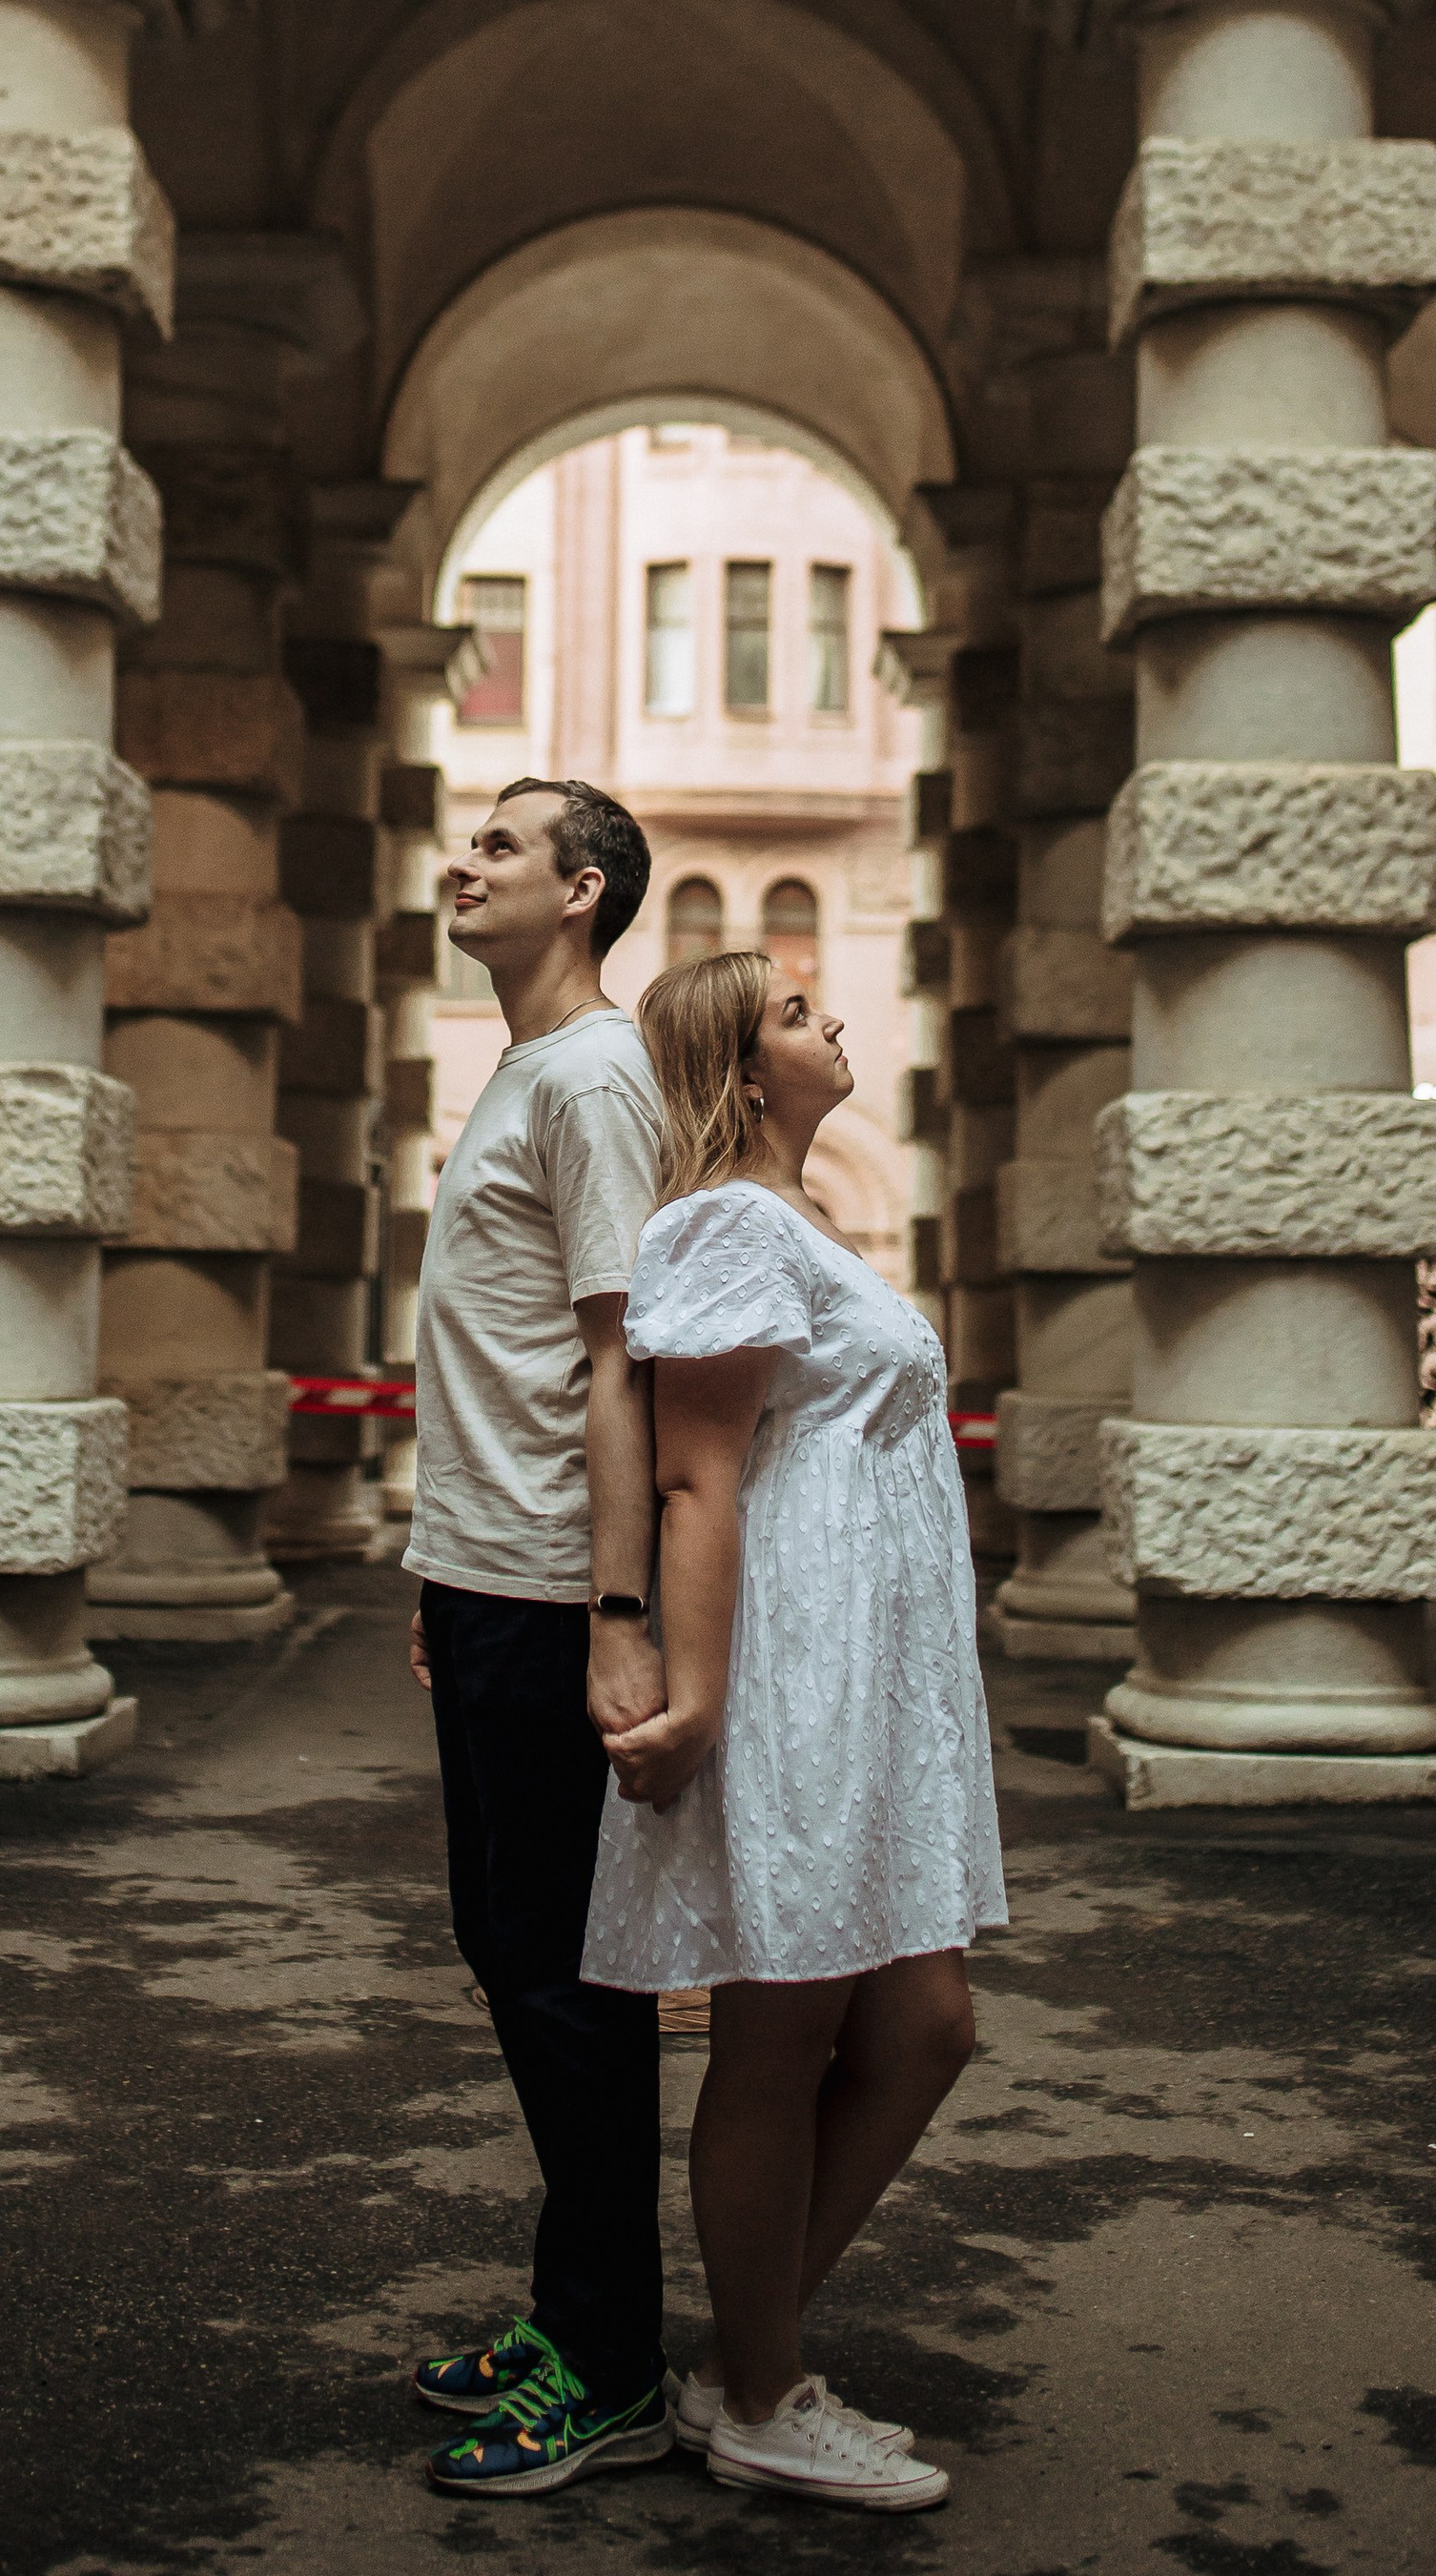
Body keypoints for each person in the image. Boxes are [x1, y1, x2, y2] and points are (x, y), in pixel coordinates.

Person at [586, 947, 1006, 2515]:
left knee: (925, 2026)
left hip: (875, 1675)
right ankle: (761, 2389)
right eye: (788, 1010)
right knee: (783, 2033)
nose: (828, 1018)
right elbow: (699, 1472)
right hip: (799, 1667)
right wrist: (689, 1694)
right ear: (745, 1073)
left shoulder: (795, 1220)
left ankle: (740, 2353)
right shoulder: (724, 1222)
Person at [401, 775, 674, 2500]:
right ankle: (574, 2312)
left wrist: (617, 1614)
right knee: (510, 1952)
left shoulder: (592, 1078)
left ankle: (614, 2363)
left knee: (568, 1983)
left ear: (580, 891)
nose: (464, 859)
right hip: (483, 1577)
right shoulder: (524, 1066)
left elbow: (620, 1356)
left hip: (553, 1590)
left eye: (501, 844)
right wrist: (442, 1576)